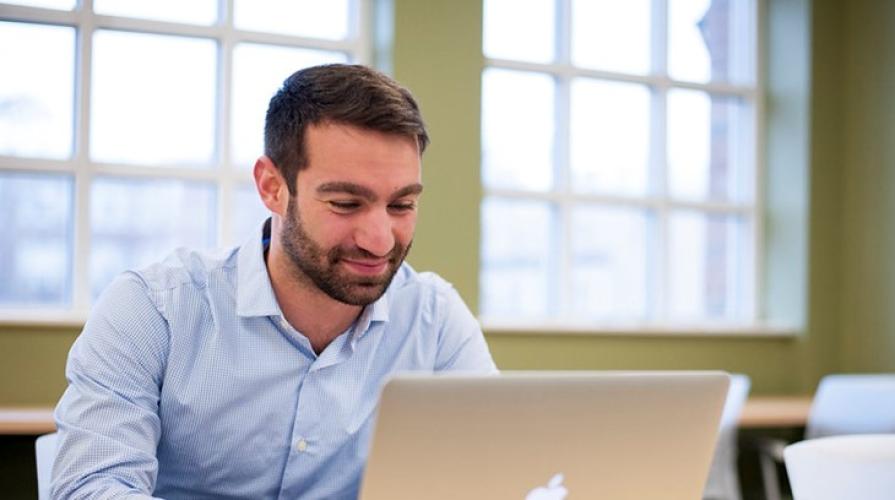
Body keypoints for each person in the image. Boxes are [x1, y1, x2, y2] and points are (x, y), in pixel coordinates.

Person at [52, 64, 497, 499]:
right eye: (345, 203)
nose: (380, 241)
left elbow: (500, 475)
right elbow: (91, 487)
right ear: (271, 187)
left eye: (401, 206)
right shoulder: (154, 308)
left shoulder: (434, 320)